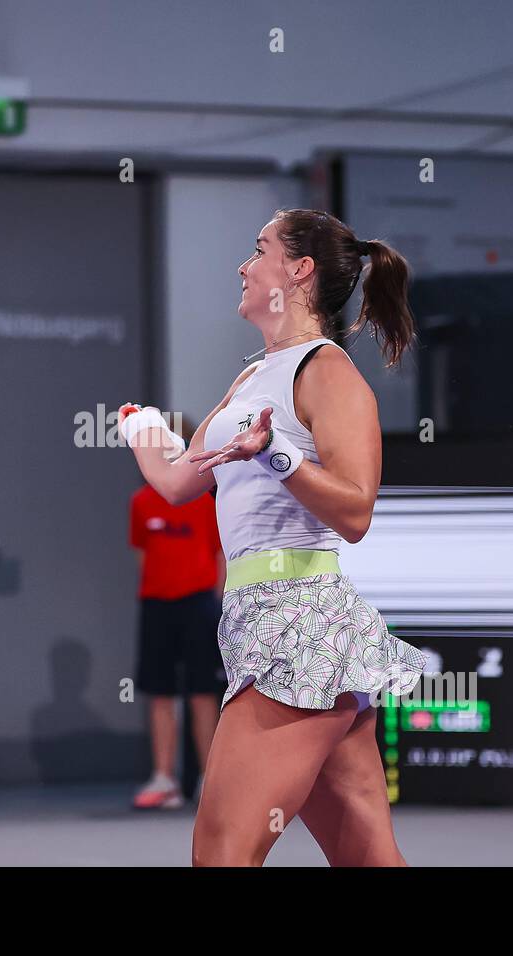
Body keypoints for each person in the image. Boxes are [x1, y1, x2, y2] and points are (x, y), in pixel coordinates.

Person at [117, 208, 427, 866]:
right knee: (368, 858)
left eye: (258, 250)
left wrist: (277, 455)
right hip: (260, 623)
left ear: (299, 270)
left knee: (221, 852)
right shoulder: (252, 377)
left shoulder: (328, 372)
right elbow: (178, 482)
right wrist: (141, 426)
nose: (243, 265)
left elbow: (355, 512)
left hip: (298, 625)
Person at [128, 416, 227, 810]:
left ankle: (210, 779)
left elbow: (219, 556)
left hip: (200, 606)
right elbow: (142, 557)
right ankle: (164, 779)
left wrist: (219, 608)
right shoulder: (140, 503)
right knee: (159, 693)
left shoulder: (206, 501)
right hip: (157, 606)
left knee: (203, 694)